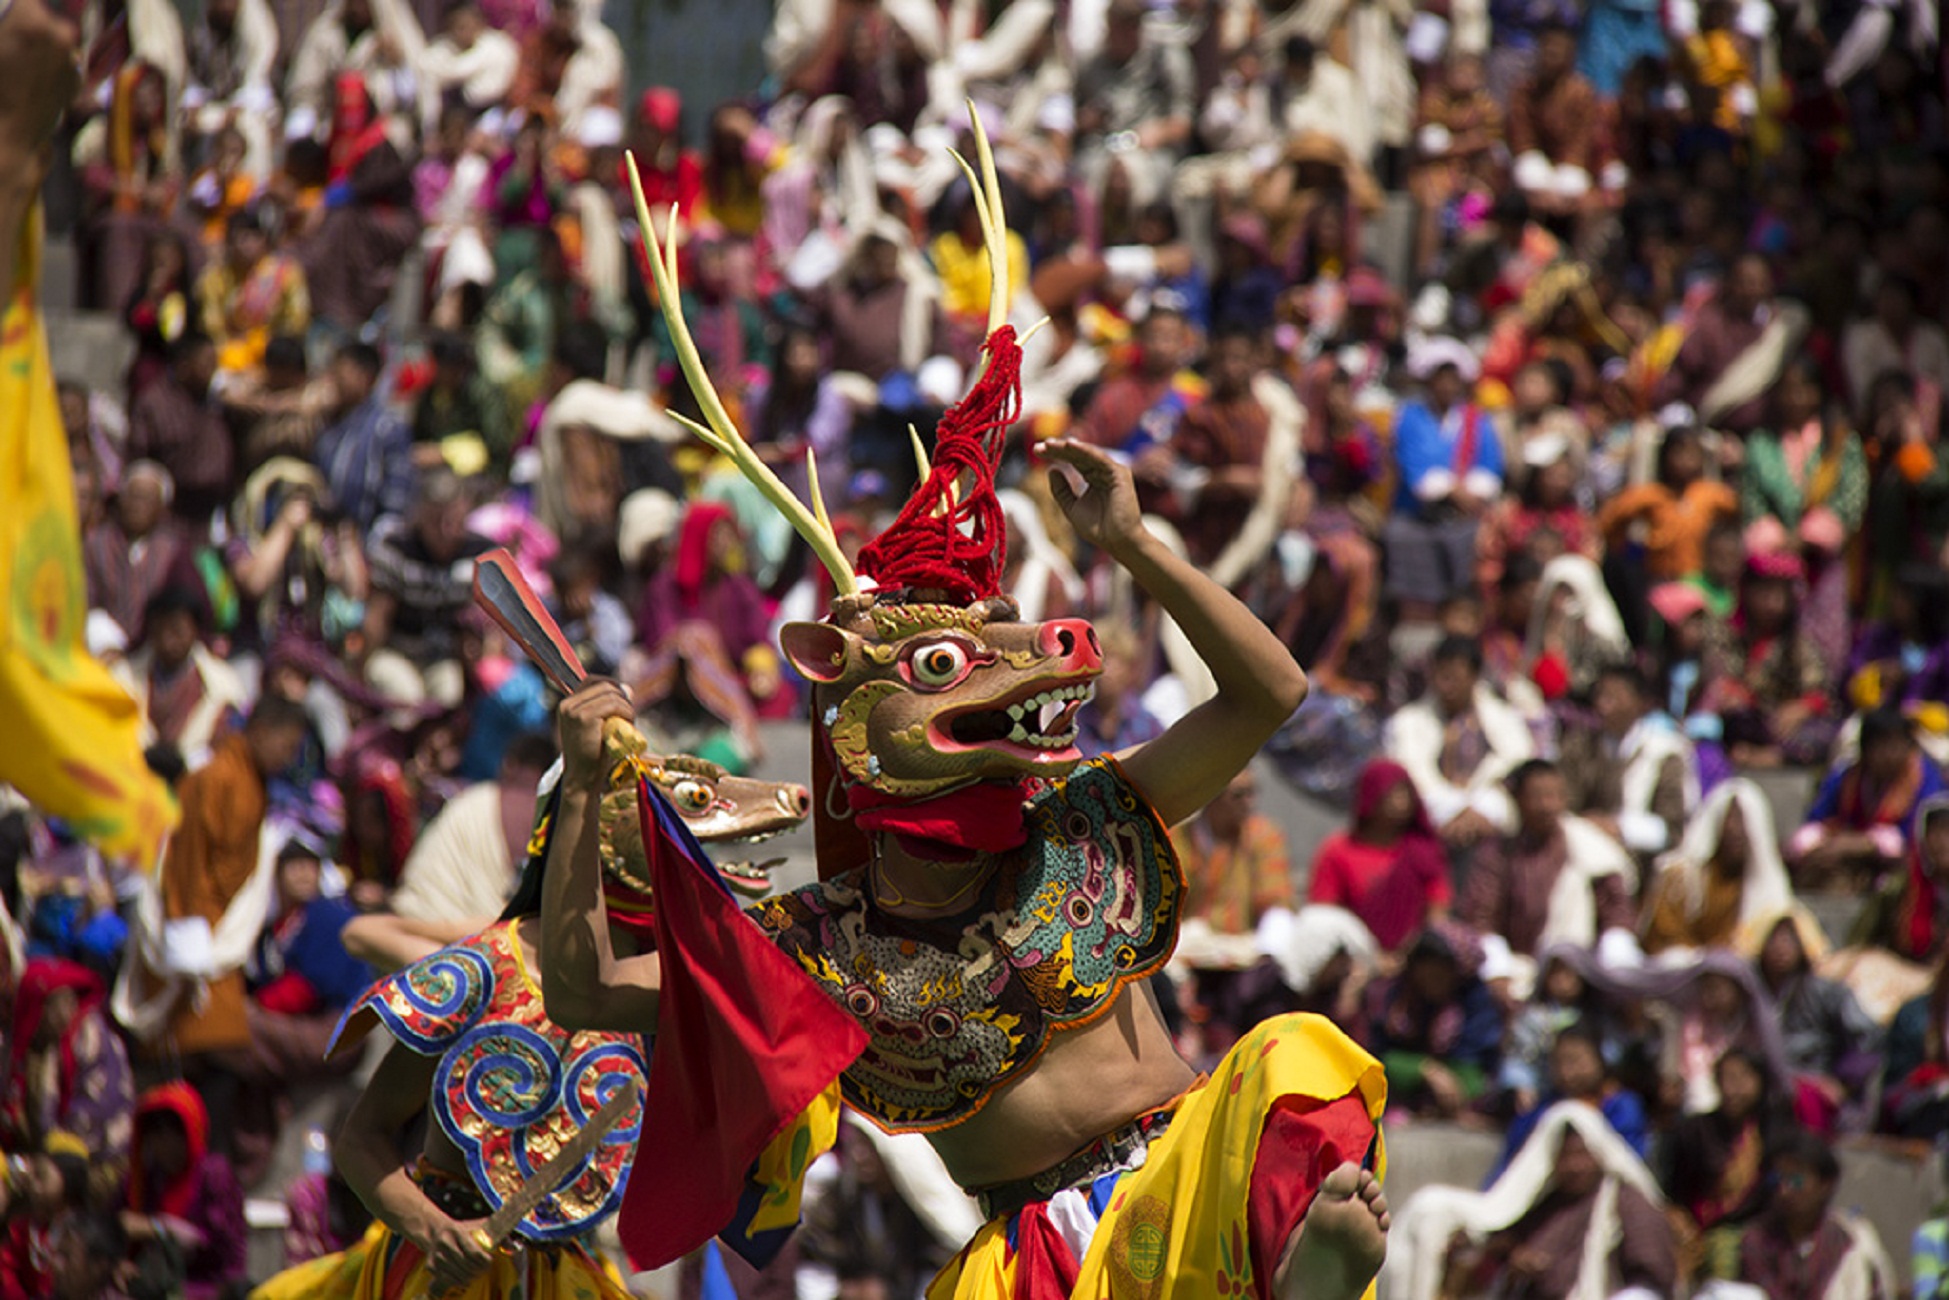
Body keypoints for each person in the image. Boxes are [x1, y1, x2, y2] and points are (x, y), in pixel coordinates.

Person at [543, 152, 1392, 1299]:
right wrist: (589, 781)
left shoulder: (1085, 824)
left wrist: (1137, 550)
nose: (1014, 668)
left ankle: (1291, 1261)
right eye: (949, 666)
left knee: (1292, 1051)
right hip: (1029, 1258)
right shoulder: (818, 944)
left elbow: (1270, 695)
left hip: (1176, 1191)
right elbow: (589, 989)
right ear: (854, 722)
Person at [136, 698, 310, 1158]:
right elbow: (187, 865)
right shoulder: (216, 778)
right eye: (287, 746)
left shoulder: (250, 781)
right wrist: (189, 937)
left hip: (220, 941)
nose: (288, 758)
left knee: (219, 1063)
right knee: (211, 1052)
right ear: (264, 731)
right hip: (198, 940)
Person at [1394, 1102, 1677, 1300]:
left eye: (1582, 1154)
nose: (1575, 1165)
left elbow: (1650, 1282)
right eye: (1566, 1156)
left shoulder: (1627, 1203)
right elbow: (1486, 1272)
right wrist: (1513, 1266)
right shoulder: (1542, 1207)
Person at [1460, 760, 1640, 988]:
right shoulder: (1498, 854)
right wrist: (1499, 971)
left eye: (1555, 796)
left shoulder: (1589, 847)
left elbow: (1617, 912)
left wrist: (1616, 964)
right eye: (1537, 796)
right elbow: (1480, 917)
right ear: (1518, 799)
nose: (1548, 805)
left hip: (1583, 976)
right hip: (1519, 972)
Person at [0, 959, 135, 1203]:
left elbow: (96, 1113)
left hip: (95, 1161)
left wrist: (51, 1158)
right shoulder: (36, 1046)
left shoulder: (91, 1038)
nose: (61, 1012)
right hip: (42, 1156)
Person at [1384, 635, 1536, 848]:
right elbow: (1412, 770)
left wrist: (1473, 807)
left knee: (1498, 806)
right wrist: (1455, 809)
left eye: (1454, 676)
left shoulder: (1503, 718)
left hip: (1484, 803)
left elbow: (1518, 760)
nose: (1446, 684)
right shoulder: (1408, 720)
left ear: (1473, 676)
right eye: (1441, 674)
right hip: (1434, 804)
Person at [360, 468, 491, 710]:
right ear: (420, 516)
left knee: (448, 695)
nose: (445, 531)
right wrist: (357, 674)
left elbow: (489, 622)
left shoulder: (480, 554)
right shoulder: (396, 550)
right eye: (436, 522)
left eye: (454, 522)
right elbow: (377, 618)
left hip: (443, 657)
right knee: (405, 697)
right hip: (396, 652)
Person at [1385, 345, 1504, 613]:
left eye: (1453, 378)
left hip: (1465, 516)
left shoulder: (1477, 419)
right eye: (1441, 377)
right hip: (1417, 516)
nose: (1448, 385)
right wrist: (1452, 489)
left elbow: (1490, 465)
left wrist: (1469, 493)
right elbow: (1413, 466)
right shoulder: (1410, 416)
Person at [1747, 908, 1882, 1135]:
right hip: (1760, 1086)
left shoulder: (1822, 991)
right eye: (1773, 938)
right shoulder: (1750, 994)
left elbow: (1868, 1037)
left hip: (1813, 1084)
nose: (1781, 947)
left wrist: (1843, 1082)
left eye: (1789, 939)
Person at [1713, 1131, 1893, 1300]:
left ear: (1825, 1184)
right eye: (1777, 1180)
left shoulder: (1849, 1238)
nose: (1784, 1191)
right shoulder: (1757, 1240)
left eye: (1796, 1181)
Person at [1665, 1048, 1794, 1282]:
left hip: (1759, 1226)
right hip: (1699, 1227)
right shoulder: (1695, 1131)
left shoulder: (1778, 1132)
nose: (1734, 1088)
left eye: (1744, 1078)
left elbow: (1790, 1183)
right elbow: (1677, 1187)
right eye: (1728, 1078)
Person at [1307, 758, 1453, 952]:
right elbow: (1324, 914)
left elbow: (1438, 910)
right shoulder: (1337, 850)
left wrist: (1415, 952)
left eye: (1405, 792)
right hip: (1353, 957)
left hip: (1415, 958)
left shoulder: (1423, 852)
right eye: (1392, 792)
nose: (1401, 800)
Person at [1792, 708, 1948, 889]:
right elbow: (1818, 818)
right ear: (1866, 749)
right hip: (1842, 854)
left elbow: (1918, 839)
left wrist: (1861, 844)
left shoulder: (1927, 780)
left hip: (1901, 866)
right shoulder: (1846, 777)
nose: (1892, 754)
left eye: (1898, 745)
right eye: (1884, 746)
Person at [1361, 922, 1503, 1118]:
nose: (1430, 983)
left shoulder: (1477, 1004)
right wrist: (1425, 1070)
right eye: (1425, 975)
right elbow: (1378, 1057)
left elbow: (1475, 1067)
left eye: (1438, 976)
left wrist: (1450, 1084)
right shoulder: (1396, 1000)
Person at [122, 1082, 247, 1300]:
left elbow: (223, 1253)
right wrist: (161, 1227)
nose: (164, 1143)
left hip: (210, 1288)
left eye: (173, 1132)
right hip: (150, 1284)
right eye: (155, 1133)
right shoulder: (145, 1179)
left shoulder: (214, 1175)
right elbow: (113, 1224)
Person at [1557, 663, 1697, 858]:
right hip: (1581, 846)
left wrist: (1619, 827)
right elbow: (1564, 799)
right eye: (1601, 695)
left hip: (1640, 858)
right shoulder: (1579, 746)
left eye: (1614, 696)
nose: (1603, 704)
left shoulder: (1665, 752)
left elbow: (1671, 828)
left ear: (1640, 703)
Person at [1641, 778, 1794, 955]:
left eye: (1742, 820)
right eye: (1730, 818)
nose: (1734, 829)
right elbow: (1665, 940)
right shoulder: (1681, 878)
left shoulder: (1768, 888)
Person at [110, 586, 249, 771]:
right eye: (160, 631)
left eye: (177, 631)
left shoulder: (224, 685)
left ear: (196, 631)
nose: (168, 641)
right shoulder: (121, 676)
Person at [126, 331, 233, 536]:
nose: (214, 371)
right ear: (184, 366)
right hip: (172, 517)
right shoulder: (154, 404)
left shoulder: (220, 401)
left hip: (214, 516)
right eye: (207, 364)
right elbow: (139, 458)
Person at [1171, 770, 1294, 937]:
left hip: (1243, 945)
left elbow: (1275, 902)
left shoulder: (1264, 836)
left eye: (1252, 792)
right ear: (1211, 797)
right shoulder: (1177, 839)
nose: (1249, 802)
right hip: (1185, 942)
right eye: (1238, 795)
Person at [82, 459, 190, 648]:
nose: (137, 505)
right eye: (133, 496)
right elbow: (86, 599)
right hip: (102, 647)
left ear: (162, 507)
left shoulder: (173, 551)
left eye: (146, 498)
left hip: (155, 650)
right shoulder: (96, 543)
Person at [313, 341, 416, 535]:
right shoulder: (327, 424)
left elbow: (397, 498)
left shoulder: (387, 428)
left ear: (364, 377)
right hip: (326, 537)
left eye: (340, 375)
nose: (333, 381)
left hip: (366, 543)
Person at [194, 205, 310, 377]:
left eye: (249, 238)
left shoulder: (286, 273)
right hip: (230, 356)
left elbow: (297, 320)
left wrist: (265, 342)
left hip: (274, 356)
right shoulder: (214, 278)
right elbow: (212, 325)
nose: (243, 245)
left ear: (262, 239)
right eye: (236, 239)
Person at [1851, 796, 1949, 961]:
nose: (1942, 842)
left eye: (1947, 832)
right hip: (1908, 972)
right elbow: (1860, 940)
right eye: (1934, 833)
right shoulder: (1899, 888)